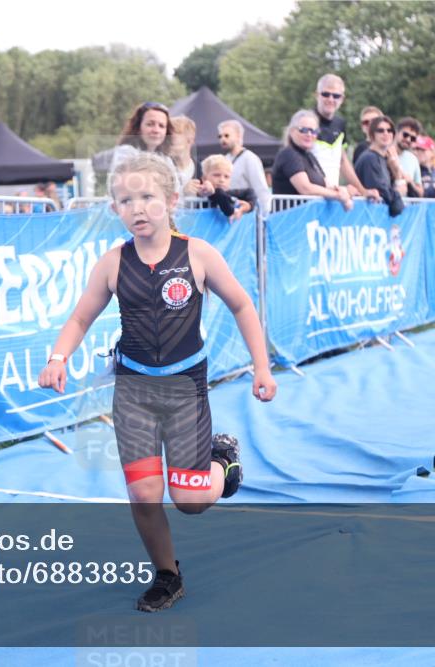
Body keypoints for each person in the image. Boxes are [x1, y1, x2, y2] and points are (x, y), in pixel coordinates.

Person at [37, 152, 276, 613]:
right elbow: (81, 316)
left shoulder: (199, 255)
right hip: (134, 392)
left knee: (189, 500)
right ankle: (167, 575)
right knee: (144, 493)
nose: (137, 208)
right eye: (126, 200)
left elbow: (243, 307)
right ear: (114, 210)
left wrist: (261, 367)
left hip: (185, 388)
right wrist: (57, 357)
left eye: (147, 197)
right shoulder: (112, 262)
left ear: (171, 200)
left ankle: (222, 461)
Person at [310, 74, 378, 201]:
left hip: (333, 196)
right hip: (309, 197)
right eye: (325, 94)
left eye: (336, 96)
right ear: (317, 95)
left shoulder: (340, 123)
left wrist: (363, 191)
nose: (331, 99)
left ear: (342, 99)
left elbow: (342, 161)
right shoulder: (306, 122)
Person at [270, 109, 353, 211]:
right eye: (304, 130)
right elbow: (305, 188)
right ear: (291, 132)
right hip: (288, 221)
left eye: (314, 131)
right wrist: (338, 195)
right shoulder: (289, 154)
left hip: (308, 221)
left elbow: (327, 185)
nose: (309, 134)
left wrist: (343, 191)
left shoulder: (310, 156)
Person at [111, 102, 180, 189]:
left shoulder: (166, 160)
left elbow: (176, 192)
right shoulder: (125, 152)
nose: (156, 130)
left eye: (161, 126)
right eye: (150, 124)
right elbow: (122, 187)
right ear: (138, 128)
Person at [217, 119, 272, 215]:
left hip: (247, 217)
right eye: (220, 136)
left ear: (239, 136)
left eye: (227, 135)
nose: (222, 139)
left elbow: (261, 190)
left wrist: (263, 218)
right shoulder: (224, 159)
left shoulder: (250, 159)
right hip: (231, 216)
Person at [353, 115, 405, 217]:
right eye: (380, 130)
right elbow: (387, 197)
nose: (386, 133)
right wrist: (399, 192)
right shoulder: (369, 159)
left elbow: (399, 194)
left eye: (389, 130)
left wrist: (397, 172)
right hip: (367, 219)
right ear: (372, 135)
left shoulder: (386, 160)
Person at [196, 154, 255, 222]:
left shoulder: (228, 193)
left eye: (226, 177)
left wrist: (249, 206)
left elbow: (250, 192)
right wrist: (233, 210)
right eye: (216, 175)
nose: (222, 180)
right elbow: (219, 194)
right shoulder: (200, 192)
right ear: (204, 178)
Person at [169, 115, 200, 194]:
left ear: (189, 140)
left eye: (172, 136)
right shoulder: (162, 167)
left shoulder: (201, 169)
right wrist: (182, 192)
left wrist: (210, 193)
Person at [394, 117, 424, 197]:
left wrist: (410, 182)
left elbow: (421, 193)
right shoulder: (384, 154)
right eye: (405, 135)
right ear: (396, 133)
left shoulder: (413, 159)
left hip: (407, 207)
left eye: (413, 138)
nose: (408, 139)